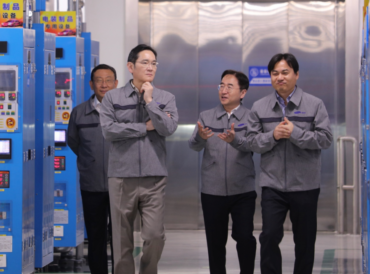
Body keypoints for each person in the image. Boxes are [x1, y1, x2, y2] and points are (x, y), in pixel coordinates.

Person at [247, 53, 333, 274]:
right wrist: (273, 136)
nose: (280, 77)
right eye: (274, 73)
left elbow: (325, 139)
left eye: (285, 72)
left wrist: (296, 133)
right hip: (272, 185)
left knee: (304, 242)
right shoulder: (259, 107)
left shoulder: (315, 104)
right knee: (269, 236)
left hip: (305, 186)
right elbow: (251, 142)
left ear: (296, 74)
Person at [99, 44, 179, 274]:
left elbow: (168, 128)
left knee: (155, 235)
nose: (151, 67)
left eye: (154, 63)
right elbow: (109, 131)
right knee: (121, 238)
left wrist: (151, 102)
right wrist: (143, 127)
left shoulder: (165, 98)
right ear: (130, 66)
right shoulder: (112, 97)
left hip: (154, 178)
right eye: (145, 62)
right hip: (122, 177)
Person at [188, 70, 257, 274]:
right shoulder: (206, 116)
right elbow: (193, 145)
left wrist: (236, 140)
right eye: (221, 86)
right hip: (212, 190)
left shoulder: (251, 117)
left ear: (242, 93)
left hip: (243, 189)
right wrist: (200, 137)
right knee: (215, 242)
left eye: (229, 86)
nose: (223, 90)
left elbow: (255, 144)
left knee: (244, 237)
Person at [67, 64, 119, 274]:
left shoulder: (124, 112)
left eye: (109, 80)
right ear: (91, 84)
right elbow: (73, 141)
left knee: (119, 236)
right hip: (91, 184)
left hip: (120, 184)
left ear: (116, 84)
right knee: (96, 235)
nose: (104, 85)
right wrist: (91, 161)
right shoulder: (79, 112)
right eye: (99, 80)